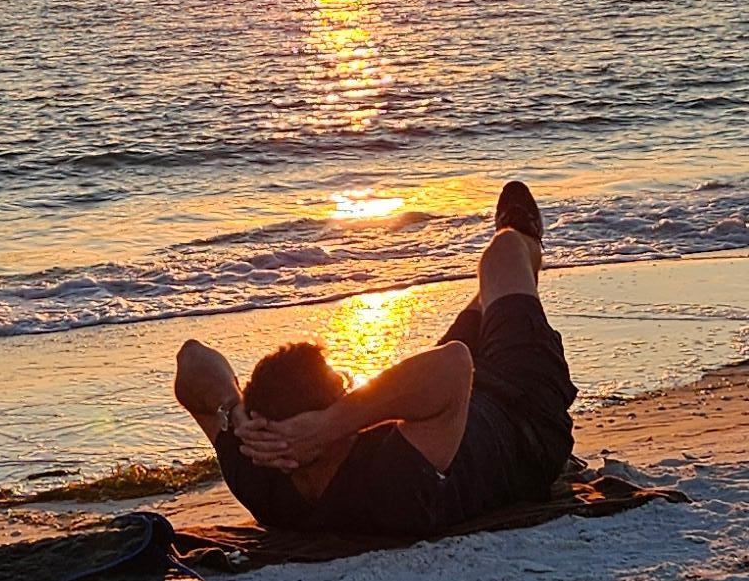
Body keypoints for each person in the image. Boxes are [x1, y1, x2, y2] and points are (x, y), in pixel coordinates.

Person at [175, 178, 575, 542]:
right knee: (503, 255)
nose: (351, 392)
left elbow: (192, 359)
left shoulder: (262, 468)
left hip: (451, 400)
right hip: (522, 412)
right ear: (320, 428)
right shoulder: (390, 481)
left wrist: (237, 411)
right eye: (343, 389)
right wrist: (331, 423)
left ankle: (501, 300)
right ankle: (527, 244)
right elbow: (455, 365)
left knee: (490, 302)